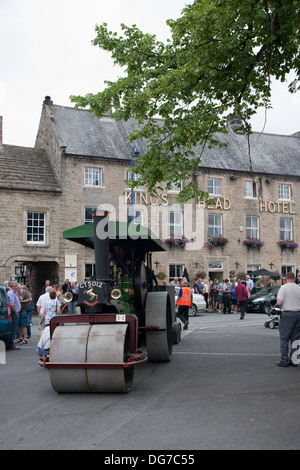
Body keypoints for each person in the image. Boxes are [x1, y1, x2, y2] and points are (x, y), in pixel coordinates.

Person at [276, 272, 300, 367]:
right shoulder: (298, 288)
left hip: (287, 313)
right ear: (294, 278)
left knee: (284, 337)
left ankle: (284, 360)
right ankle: (294, 360)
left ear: (286, 279)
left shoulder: (283, 287)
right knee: (295, 338)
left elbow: (279, 302)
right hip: (298, 313)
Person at [7, 282, 21, 350]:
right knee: (13, 329)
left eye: (16, 286)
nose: (16, 287)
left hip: (16, 312)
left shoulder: (14, 293)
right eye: (15, 286)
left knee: (14, 329)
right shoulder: (11, 293)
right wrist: (15, 312)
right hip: (14, 313)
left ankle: (11, 343)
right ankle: (11, 344)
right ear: (11, 287)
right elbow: (11, 304)